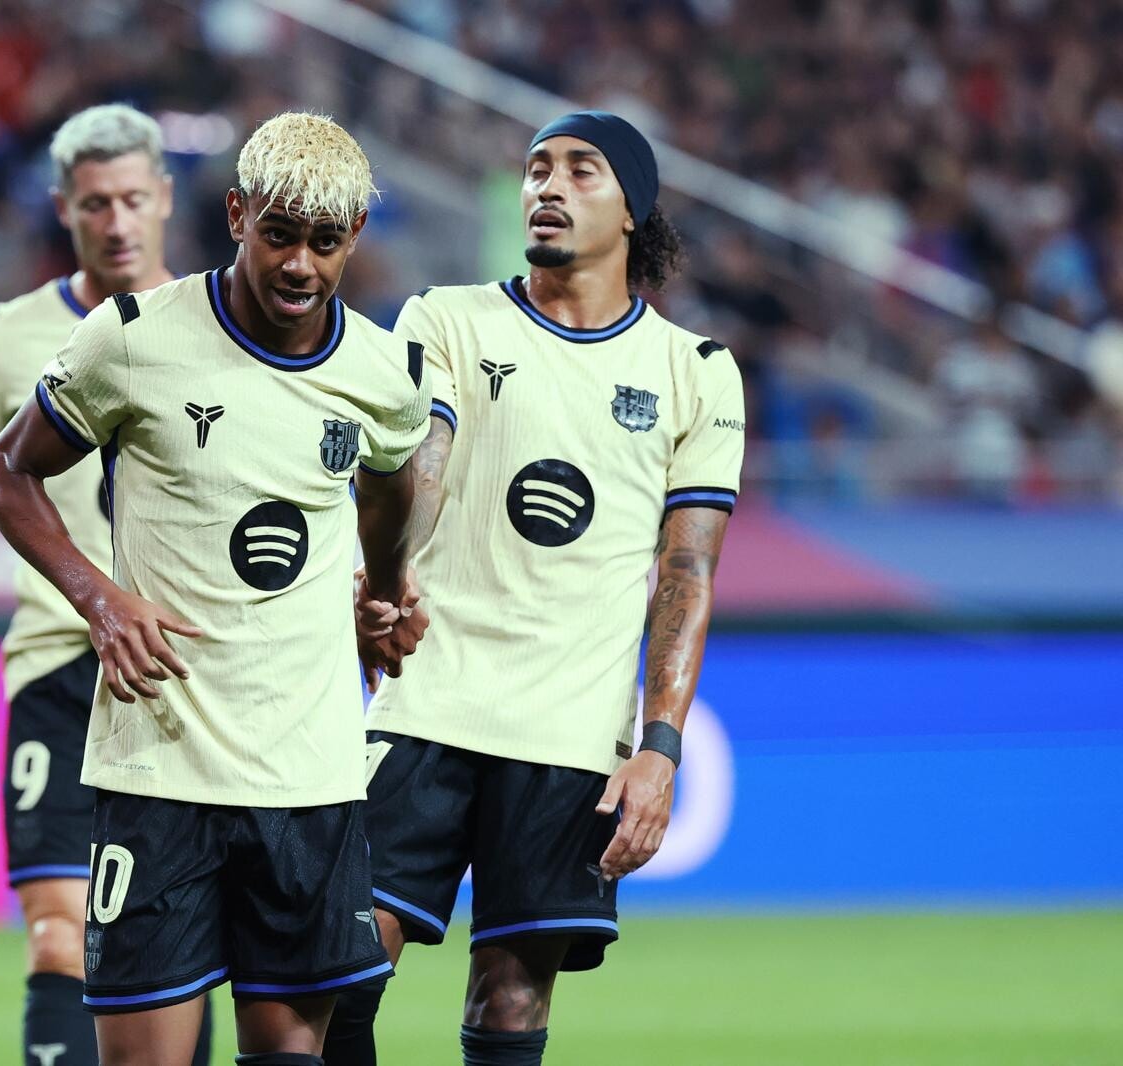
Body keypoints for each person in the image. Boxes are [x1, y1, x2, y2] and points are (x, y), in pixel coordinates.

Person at [0, 112, 431, 1066]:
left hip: (308, 778)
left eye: (325, 242)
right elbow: (5, 471)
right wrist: (100, 600)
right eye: (278, 234)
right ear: (235, 215)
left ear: (355, 237)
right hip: (159, 772)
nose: (299, 265)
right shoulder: (133, 339)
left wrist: (384, 593)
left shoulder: (381, 373)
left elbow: (393, 487)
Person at [324, 110, 747, 1066]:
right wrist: (387, 575)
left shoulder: (695, 371)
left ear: (633, 210)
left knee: (512, 999)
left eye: (580, 170)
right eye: (536, 168)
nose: (547, 186)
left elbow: (687, 572)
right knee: (339, 971)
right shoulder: (447, 318)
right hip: (428, 699)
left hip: (571, 732)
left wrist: (660, 748)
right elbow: (422, 466)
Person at [0, 104, 205, 1066]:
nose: (117, 221)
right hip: (61, 667)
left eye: (133, 198)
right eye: (96, 203)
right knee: (60, 934)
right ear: (64, 208)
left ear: (164, 198)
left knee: (184, 947)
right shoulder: (9, 338)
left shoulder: (219, 325)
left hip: (190, 673)